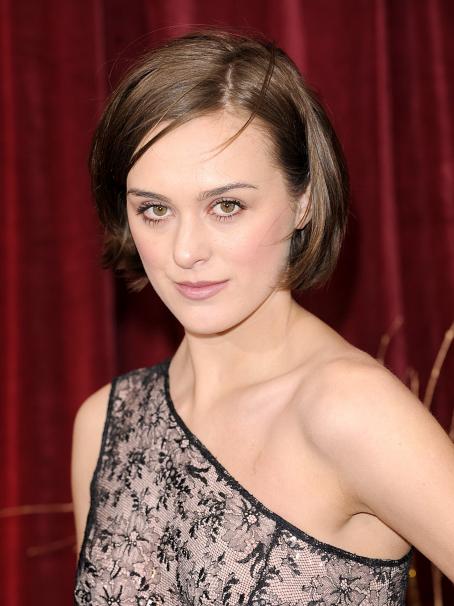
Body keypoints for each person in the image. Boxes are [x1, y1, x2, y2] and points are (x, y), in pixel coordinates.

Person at [71, 27, 454, 605]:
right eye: (155, 210)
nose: (185, 251)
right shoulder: (105, 424)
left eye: (226, 206)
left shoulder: (350, 410)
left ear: (303, 202)